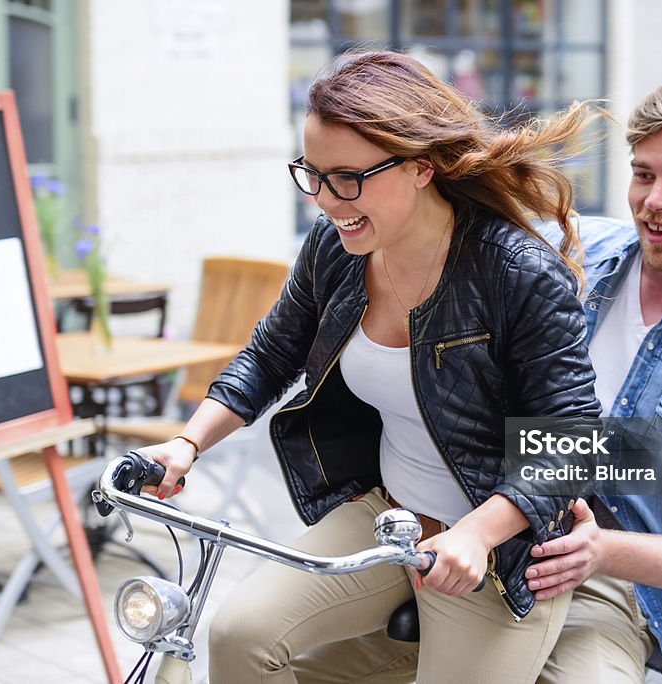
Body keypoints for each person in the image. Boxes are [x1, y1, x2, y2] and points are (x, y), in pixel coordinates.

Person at [290, 73, 662, 684]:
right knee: (277, 659)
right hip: (466, 528)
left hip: (610, 585)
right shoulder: (561, 247)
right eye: (644, 173)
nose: (655, 200)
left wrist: (601, 552)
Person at [141, 50, 604, 683]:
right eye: (313, 174)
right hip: (390, 517)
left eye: (348, 177)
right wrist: (187, 444)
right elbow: (271, 354)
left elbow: (574, 439)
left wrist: (475, 534)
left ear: (420, 166)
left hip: (499, 552)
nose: (326, 201)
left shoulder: (516, 272)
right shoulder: (336, 248)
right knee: (239, 635)